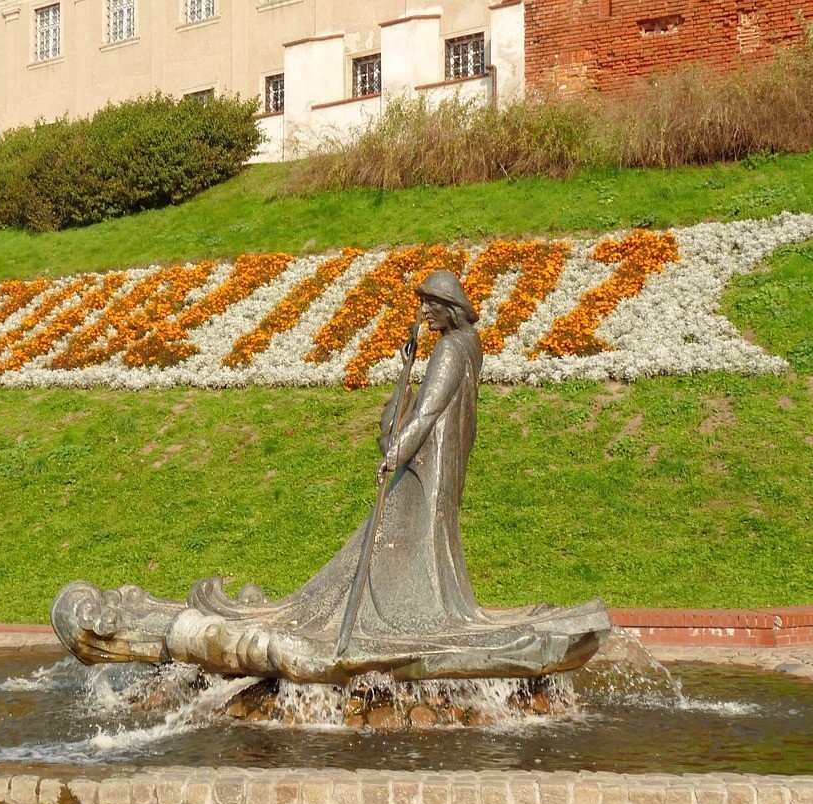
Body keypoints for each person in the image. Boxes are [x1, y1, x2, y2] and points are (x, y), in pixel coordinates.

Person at [55, 271, 610, 683]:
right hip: (446, 461)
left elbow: (425, 412)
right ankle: (433, 611)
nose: (422, 310)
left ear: (448, 307)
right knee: (430, 541)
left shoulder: (449, 350)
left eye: (428, 304)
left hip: (426, 465)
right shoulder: (467, 344)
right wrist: (407, 370)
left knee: (409, 537)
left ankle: (411, 618)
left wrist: (394, 452)